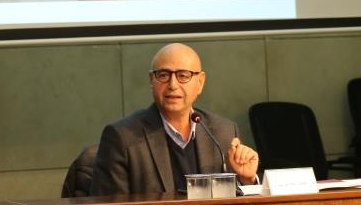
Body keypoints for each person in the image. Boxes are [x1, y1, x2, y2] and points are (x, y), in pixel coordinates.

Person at [90, 42, 259, 195]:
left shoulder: (223, 132)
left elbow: (236, 204)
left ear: (200, 82)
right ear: (152, 80)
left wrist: (247, 180)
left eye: (183, 76)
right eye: (163, 75)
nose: (172, 84)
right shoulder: (122, 137)